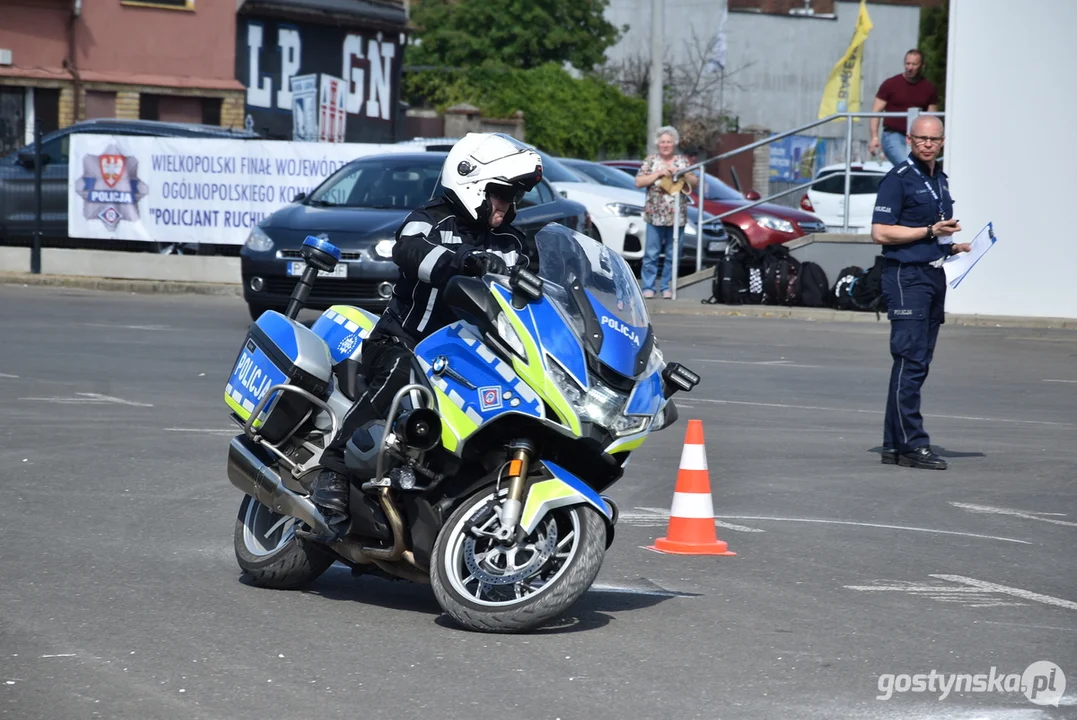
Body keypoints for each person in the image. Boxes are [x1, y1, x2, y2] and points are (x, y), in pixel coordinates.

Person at [308, 133, 543, 535]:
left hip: (468, 357)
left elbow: (544, 294)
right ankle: (330, 470)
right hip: (404, 340)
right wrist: (464, 260)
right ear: (472, 184)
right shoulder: (431, 218)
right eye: (501, 194)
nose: (508, 205)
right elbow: (409, 249)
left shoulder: (514, 241)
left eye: (514, 196)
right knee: (404, 374)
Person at [870, 115, 970, 470]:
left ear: (942, 142)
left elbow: (934, 233)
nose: (928, 144)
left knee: (916, 364)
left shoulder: (939, 180)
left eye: (934, 139)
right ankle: (912, 443)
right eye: (922, 139)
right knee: (910, 362)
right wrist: (929, 231)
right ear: (910, 140)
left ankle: (893, 444)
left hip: (933, 275)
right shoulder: (898, 180)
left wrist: (950, 246)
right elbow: (881, 232)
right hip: (905, 278)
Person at [634, 126, 698, 299]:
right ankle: (648, 286)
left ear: (674, 143)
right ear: (658, 144)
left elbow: (695, 181)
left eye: (669, 142)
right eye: (663, 142)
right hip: (654, 214)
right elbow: (639, 182)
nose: (666, 145)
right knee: (651, 253)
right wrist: (658, 173)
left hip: (677, 216)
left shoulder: (682, 161)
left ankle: (666, 286)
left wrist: (682, 174)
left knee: (673, 254)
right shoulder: (651, 161)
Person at [868, 49, 940, 168]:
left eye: (914, 64)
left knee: (922, 170)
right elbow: (875, 112)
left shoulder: (929, 88)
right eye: (907, 64)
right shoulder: (890, 84)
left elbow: (933, 118)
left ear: (922, 66)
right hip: (893, 135)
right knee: (909, 167)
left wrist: (934, 141)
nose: (910, 67)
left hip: (917, 138)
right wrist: (874, 137)